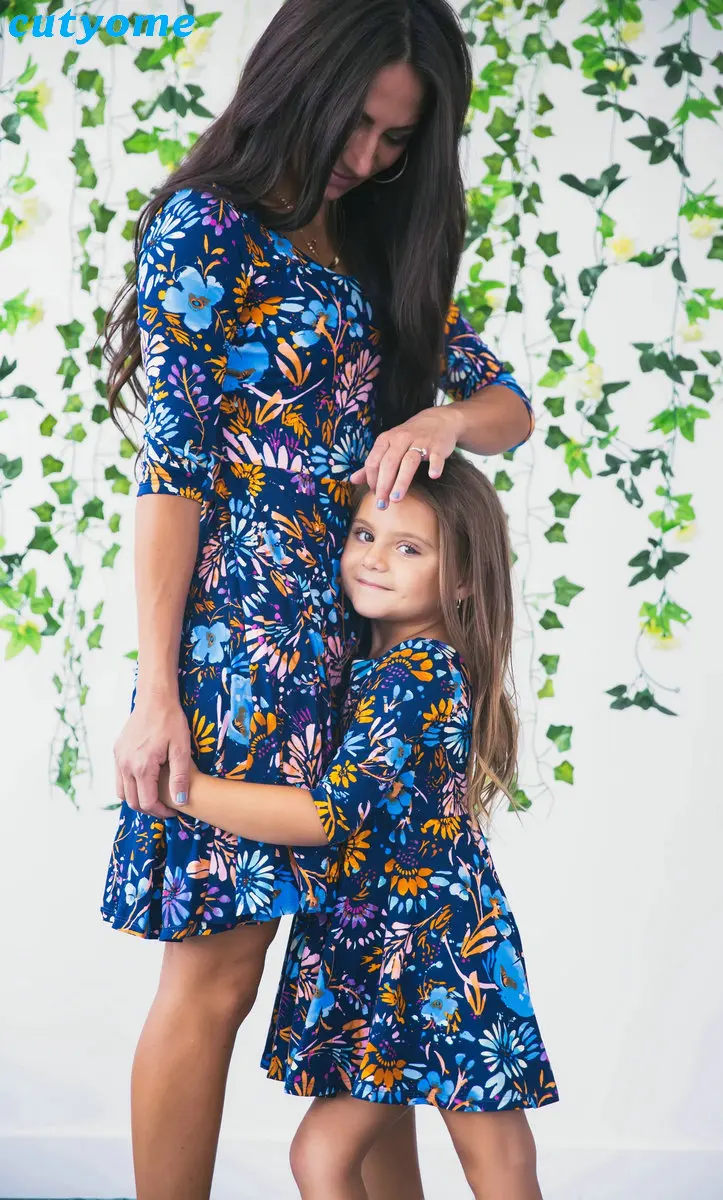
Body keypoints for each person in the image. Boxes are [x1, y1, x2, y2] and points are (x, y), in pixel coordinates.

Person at [101, 1, 534, 1196]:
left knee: (374, 986)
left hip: (368, 640)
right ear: (301, 82)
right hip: (242, 653)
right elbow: (173, 474)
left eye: (398, 139)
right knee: (216, 978)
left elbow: (508, 408)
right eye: (358, 124)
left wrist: (443, 418)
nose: (368, 155)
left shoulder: (379, 244)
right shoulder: (208, 230)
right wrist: (156, 693)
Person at [157, 455, 559, 1200]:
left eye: (409, 548)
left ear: (463, 580)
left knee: (488, 1164)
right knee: (380, 1158)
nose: (374, 558)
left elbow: (328, 816)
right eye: (365, 534)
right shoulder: (371, 665)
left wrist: (185, 789)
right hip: (380, 953)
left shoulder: (419, 674)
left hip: (440, 955)